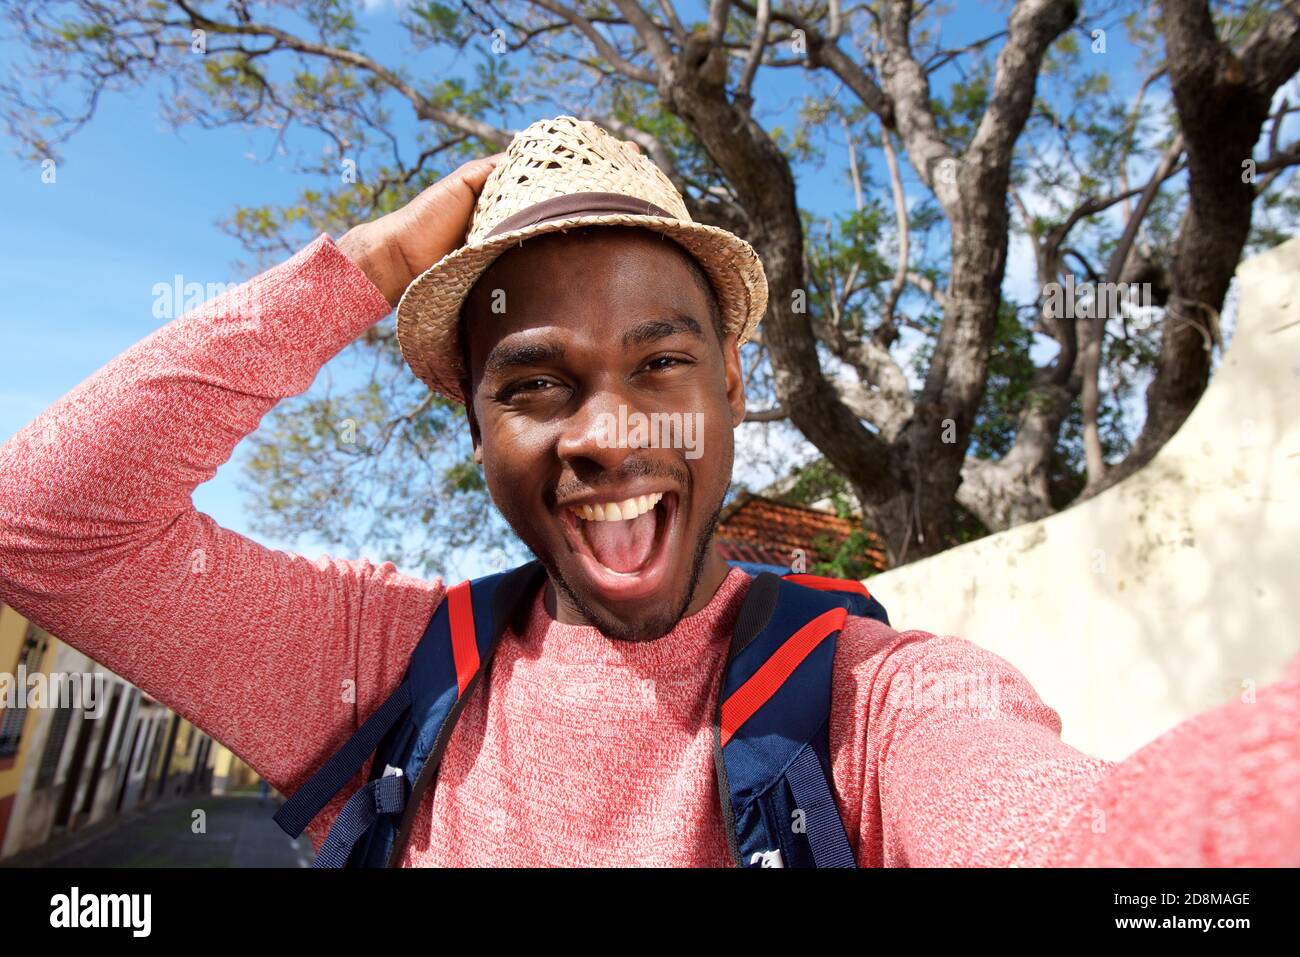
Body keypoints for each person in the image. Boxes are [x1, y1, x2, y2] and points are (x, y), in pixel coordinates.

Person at [0, 116, 1296, 867]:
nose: (609, 436)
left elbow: (1089, 842)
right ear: (478, 425)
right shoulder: (389, 667)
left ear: (735, 385)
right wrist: (369, 265)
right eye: (534, 384)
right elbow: (43, 522)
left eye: (661, 362)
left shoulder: (870, 700)